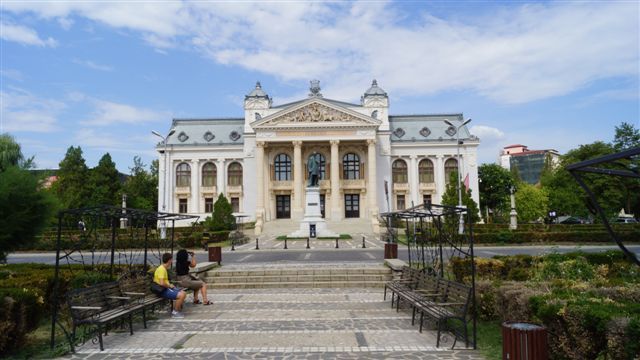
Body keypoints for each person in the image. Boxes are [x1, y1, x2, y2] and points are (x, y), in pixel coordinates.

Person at [154, 252, 187, 318]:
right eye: (171, 259)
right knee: (182, 295)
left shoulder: (164, 268)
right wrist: (169, 286)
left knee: (183, 292)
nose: (172, 261)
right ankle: (175, 312)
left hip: (166, 288)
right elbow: (162, 283)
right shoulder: (161, 269)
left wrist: (170, 285)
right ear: (169, 260)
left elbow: (164, 281)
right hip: (162, 290)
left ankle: (177, 310)